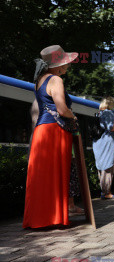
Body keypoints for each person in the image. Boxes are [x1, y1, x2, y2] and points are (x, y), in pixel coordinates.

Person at [23, 45, 79, 228]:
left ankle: (37, 219)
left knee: (40, 176)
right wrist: (73, 116)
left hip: (41, 131)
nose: (67, 66)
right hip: (55, 131)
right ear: (58, 65)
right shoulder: (56, 80)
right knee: (57, 174)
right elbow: (62, 109)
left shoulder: (39, 80)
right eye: (65, 63)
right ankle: (55, 217)